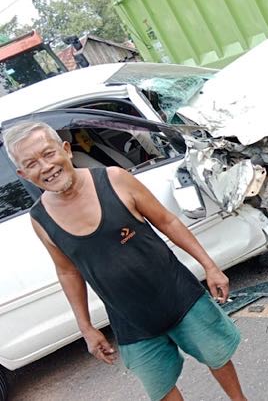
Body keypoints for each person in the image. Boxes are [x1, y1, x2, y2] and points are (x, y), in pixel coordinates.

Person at [5, 121, 247, 401]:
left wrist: (210, 266)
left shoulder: (114, 180)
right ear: (24, 174)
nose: (45, 167)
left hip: (179, 295)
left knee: (217, 357)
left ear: (66, 150)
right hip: (130, 322)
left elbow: (167, 221)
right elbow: (68, 272)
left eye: (48, 154)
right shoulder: (40, 219)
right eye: (32, 163)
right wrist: (86, 327)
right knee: (161, 388)